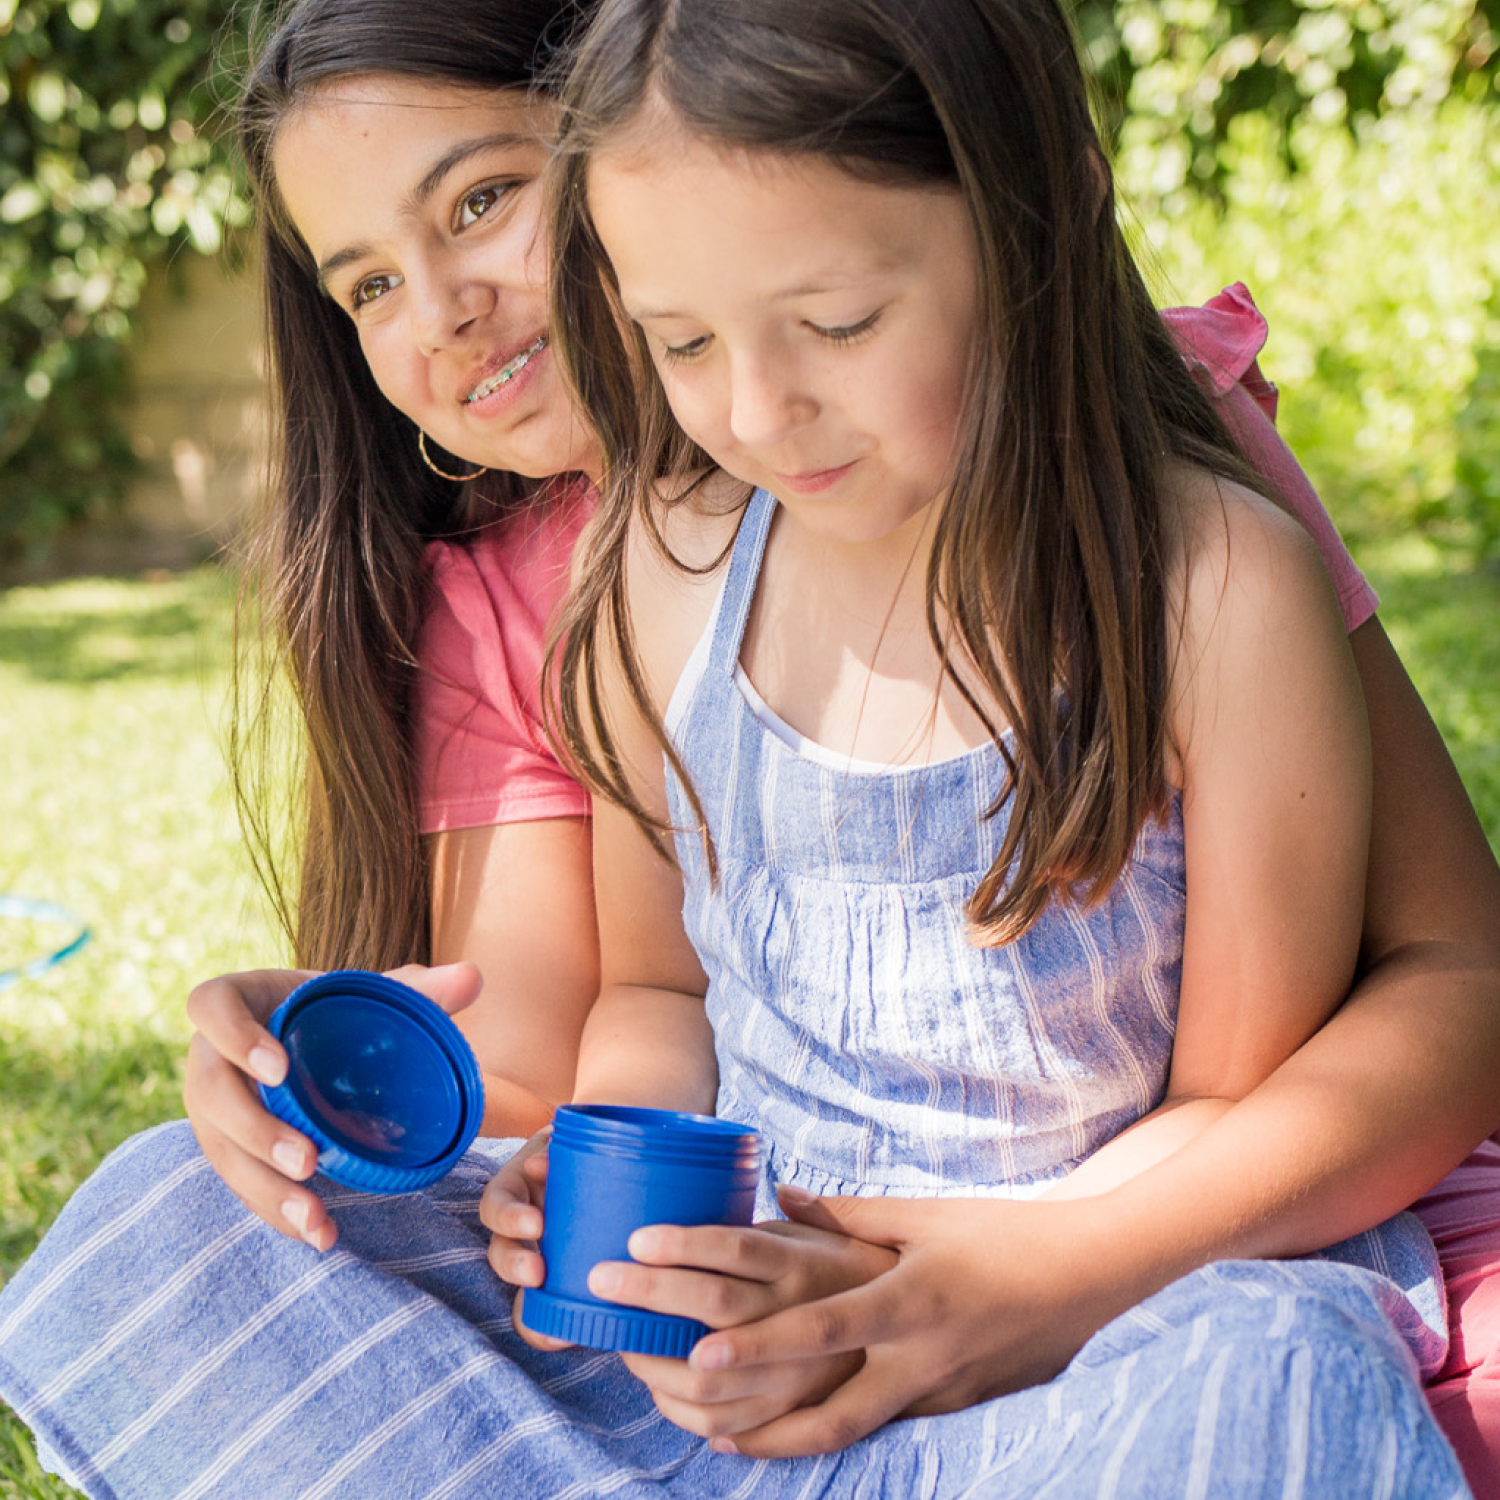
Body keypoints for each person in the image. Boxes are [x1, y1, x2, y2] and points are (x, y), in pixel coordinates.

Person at [0, 0, 1497, 1495]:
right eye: (682, 343)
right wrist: (400, 1108)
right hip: (741, 1317)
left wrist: (999, 1284)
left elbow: (1232, 1102)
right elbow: (638, 996)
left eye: (480, 201)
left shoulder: (1207, 579)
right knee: (170, 1215)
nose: (759, 408)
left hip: (1084, 1306)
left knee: (1276, 1372)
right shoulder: (653, 565)